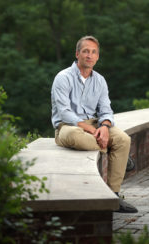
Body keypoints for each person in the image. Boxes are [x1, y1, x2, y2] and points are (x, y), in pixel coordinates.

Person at [51, 35, 137, 213]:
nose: (89, 55)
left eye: (93, 52)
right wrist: (91, 129)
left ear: (97, 57)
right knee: (77, 137)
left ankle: (113, 196)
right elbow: (64, 112)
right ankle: (115, 152)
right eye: (85, 51)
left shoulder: (100, 81)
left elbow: (106, 110)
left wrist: (104, 127)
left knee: (123, 139)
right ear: (77, 54)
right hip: (67, 127)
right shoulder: (63, 78)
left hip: (95, 125)